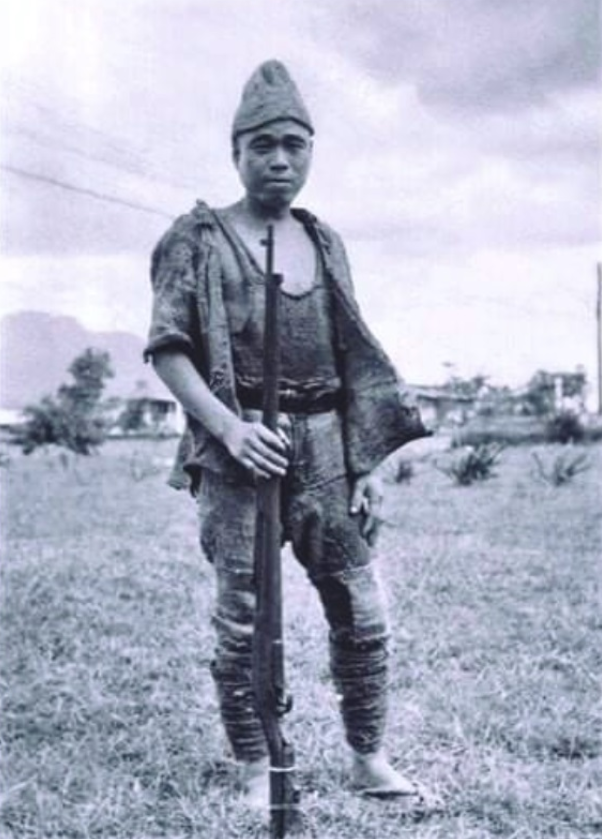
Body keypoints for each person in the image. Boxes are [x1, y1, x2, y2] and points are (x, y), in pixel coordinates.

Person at [145, 59, 439, 816]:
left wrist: (364, 462)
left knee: (361, 607)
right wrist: (231, 429)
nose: (280, 160)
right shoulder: (196, 241)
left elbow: (350, 353)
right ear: (236, 152)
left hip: (329, 451)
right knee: (242, 616)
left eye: (295, 146)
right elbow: (170, 348)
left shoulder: (324, 240)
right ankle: (254, 763)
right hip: (239, 452)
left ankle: (368, 755)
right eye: (264, 145)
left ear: (311, 153)